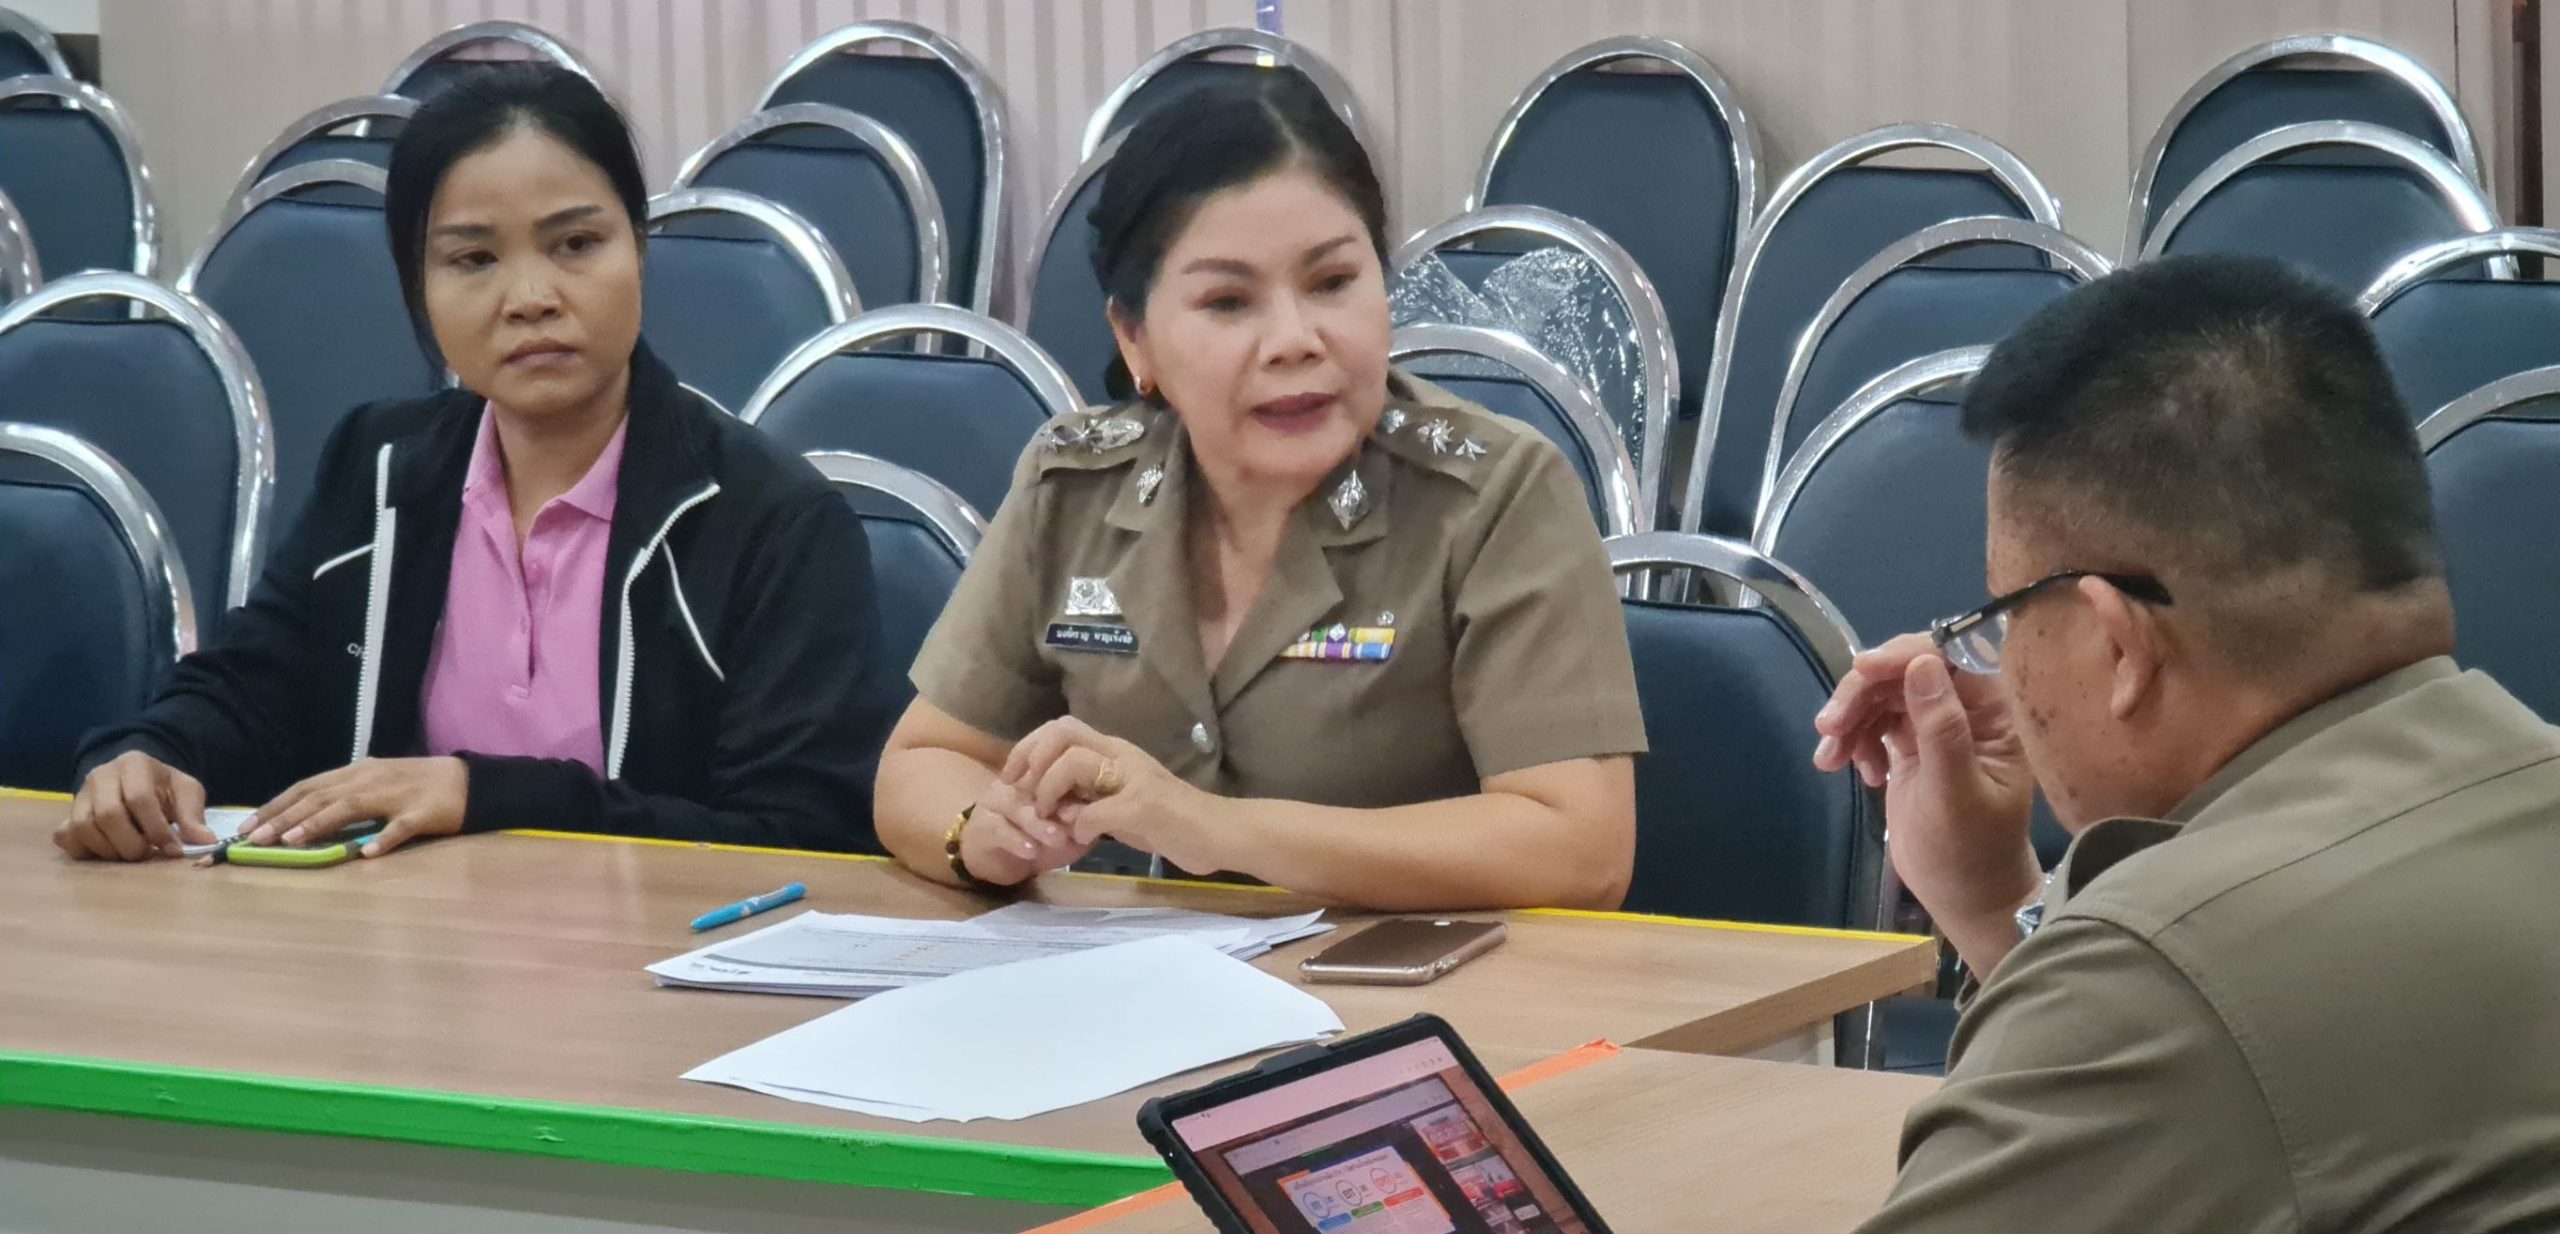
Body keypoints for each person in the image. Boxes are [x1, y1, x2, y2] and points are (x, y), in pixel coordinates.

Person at [1720, 256, 2560, 1234]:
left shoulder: (2168, 966)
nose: (1995, 665)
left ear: (2114, 642)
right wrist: (1992, 901)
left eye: (1998, 620)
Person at [57, 67, 896, 861]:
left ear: (640, 248)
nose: (530, 298)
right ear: (418, 288)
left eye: (576, 243)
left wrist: (484, 794)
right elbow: (251, 687)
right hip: (399, 945)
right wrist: (151, 752)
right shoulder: (380, 469)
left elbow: (804, 836)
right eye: (473, 259)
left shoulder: (773, 521)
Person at [873, 71, 1646, 910]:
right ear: (1135, 340)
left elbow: (1580, 849)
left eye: (1332, 282)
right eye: (1229, 301)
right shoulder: (1074, 485)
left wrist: (1215, 828)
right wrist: (982, 832)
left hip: (1423, 980)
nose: (1294, 340)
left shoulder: (1494, 494)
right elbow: (922, 761)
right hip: (1137, 977)